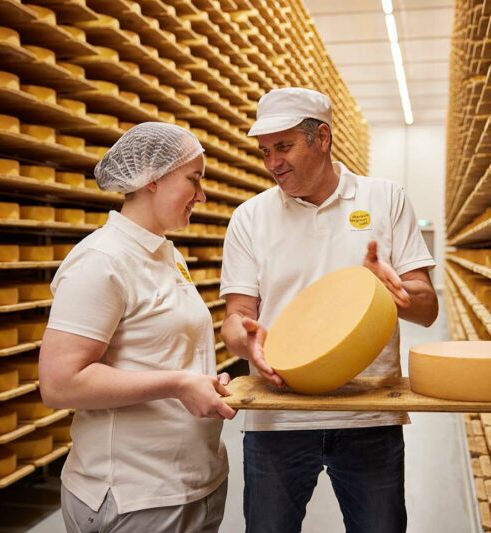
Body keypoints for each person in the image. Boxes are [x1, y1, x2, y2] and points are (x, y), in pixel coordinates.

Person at [220, 87, 439, 533]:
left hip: (369, 412)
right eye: (265, 151)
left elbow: (428, 309)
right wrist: (248, 341)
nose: (272, 163)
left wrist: (398, 295)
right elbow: (234, 320)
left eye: (284, 147)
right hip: (278, 416)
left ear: (322, 138)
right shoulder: (250, 217)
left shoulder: (385, 198)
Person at [39, 122, 235, 533]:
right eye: (193, 180)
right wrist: (179, 384)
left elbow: (160, 354)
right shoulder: (103, 259)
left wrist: (198, 380)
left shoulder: (164, 253)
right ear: (151, 179)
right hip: (135, 496)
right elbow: (59, 383)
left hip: (191, 484)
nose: (201, 195)